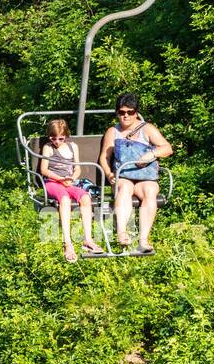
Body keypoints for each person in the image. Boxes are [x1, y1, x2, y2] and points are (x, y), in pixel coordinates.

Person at [100, 93, 173, 255]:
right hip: (123, 175)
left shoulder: (147, 128)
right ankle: (122, 233)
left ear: (136, 112)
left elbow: (167, 148)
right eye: (121, 112)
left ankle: (143, 240)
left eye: (130, 112)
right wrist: (108, 173)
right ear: (117, 112)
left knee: (150, 191)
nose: (125, 116)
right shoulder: (113, 131)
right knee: (125, 188)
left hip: (143, 176)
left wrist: (151, 155)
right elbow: (104, 157)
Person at [39, 119, 104, 262]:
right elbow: (44, 170)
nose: (57, 141)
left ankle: (88, 240)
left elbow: (78, 168)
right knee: (64, 199)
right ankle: (67, 243)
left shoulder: (72, 147)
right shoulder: (48, 148)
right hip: (52, 182)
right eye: (53, 138)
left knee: (86, 197)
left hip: (69, 182)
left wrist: (72, 178)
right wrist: (60, 179)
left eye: (61, 138)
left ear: (66, 136)